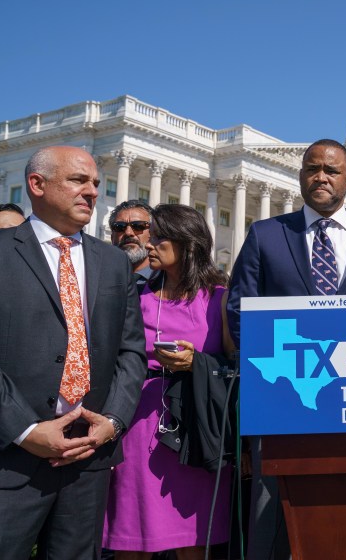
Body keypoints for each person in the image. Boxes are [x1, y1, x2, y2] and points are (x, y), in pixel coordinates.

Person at [227, 138, 346, 560]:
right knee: (271, 513)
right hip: (284, 394)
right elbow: (239, 309)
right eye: (311, 168)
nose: (320, 176)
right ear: (300, 174)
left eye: (330, 169)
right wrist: (286, 369)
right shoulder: (267, 234)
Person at [0, 146, 147, 559]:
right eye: (78, 180)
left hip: (88, 458)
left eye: (95, 182)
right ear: (37, 185)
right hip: (8, 458)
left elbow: (131, 353)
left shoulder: (113, 262)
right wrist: (27, 431)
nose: (92, 191)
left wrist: (112, 421)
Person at [103, 204, 234, 559]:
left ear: (186, 242)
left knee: (193, 541)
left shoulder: (219, 298)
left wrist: (197, 362)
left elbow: (236, 365)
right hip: (138, 424)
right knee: (132, 538)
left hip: (195, 430)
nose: (149, 244)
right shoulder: (136, 295)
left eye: (159, 238)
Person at [108, 200, 154, 283]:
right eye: (120, 227)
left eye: (138, 226)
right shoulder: (98, 279)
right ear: (112, 238)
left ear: (153, 234)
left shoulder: (168, 281)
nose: (128, 233)